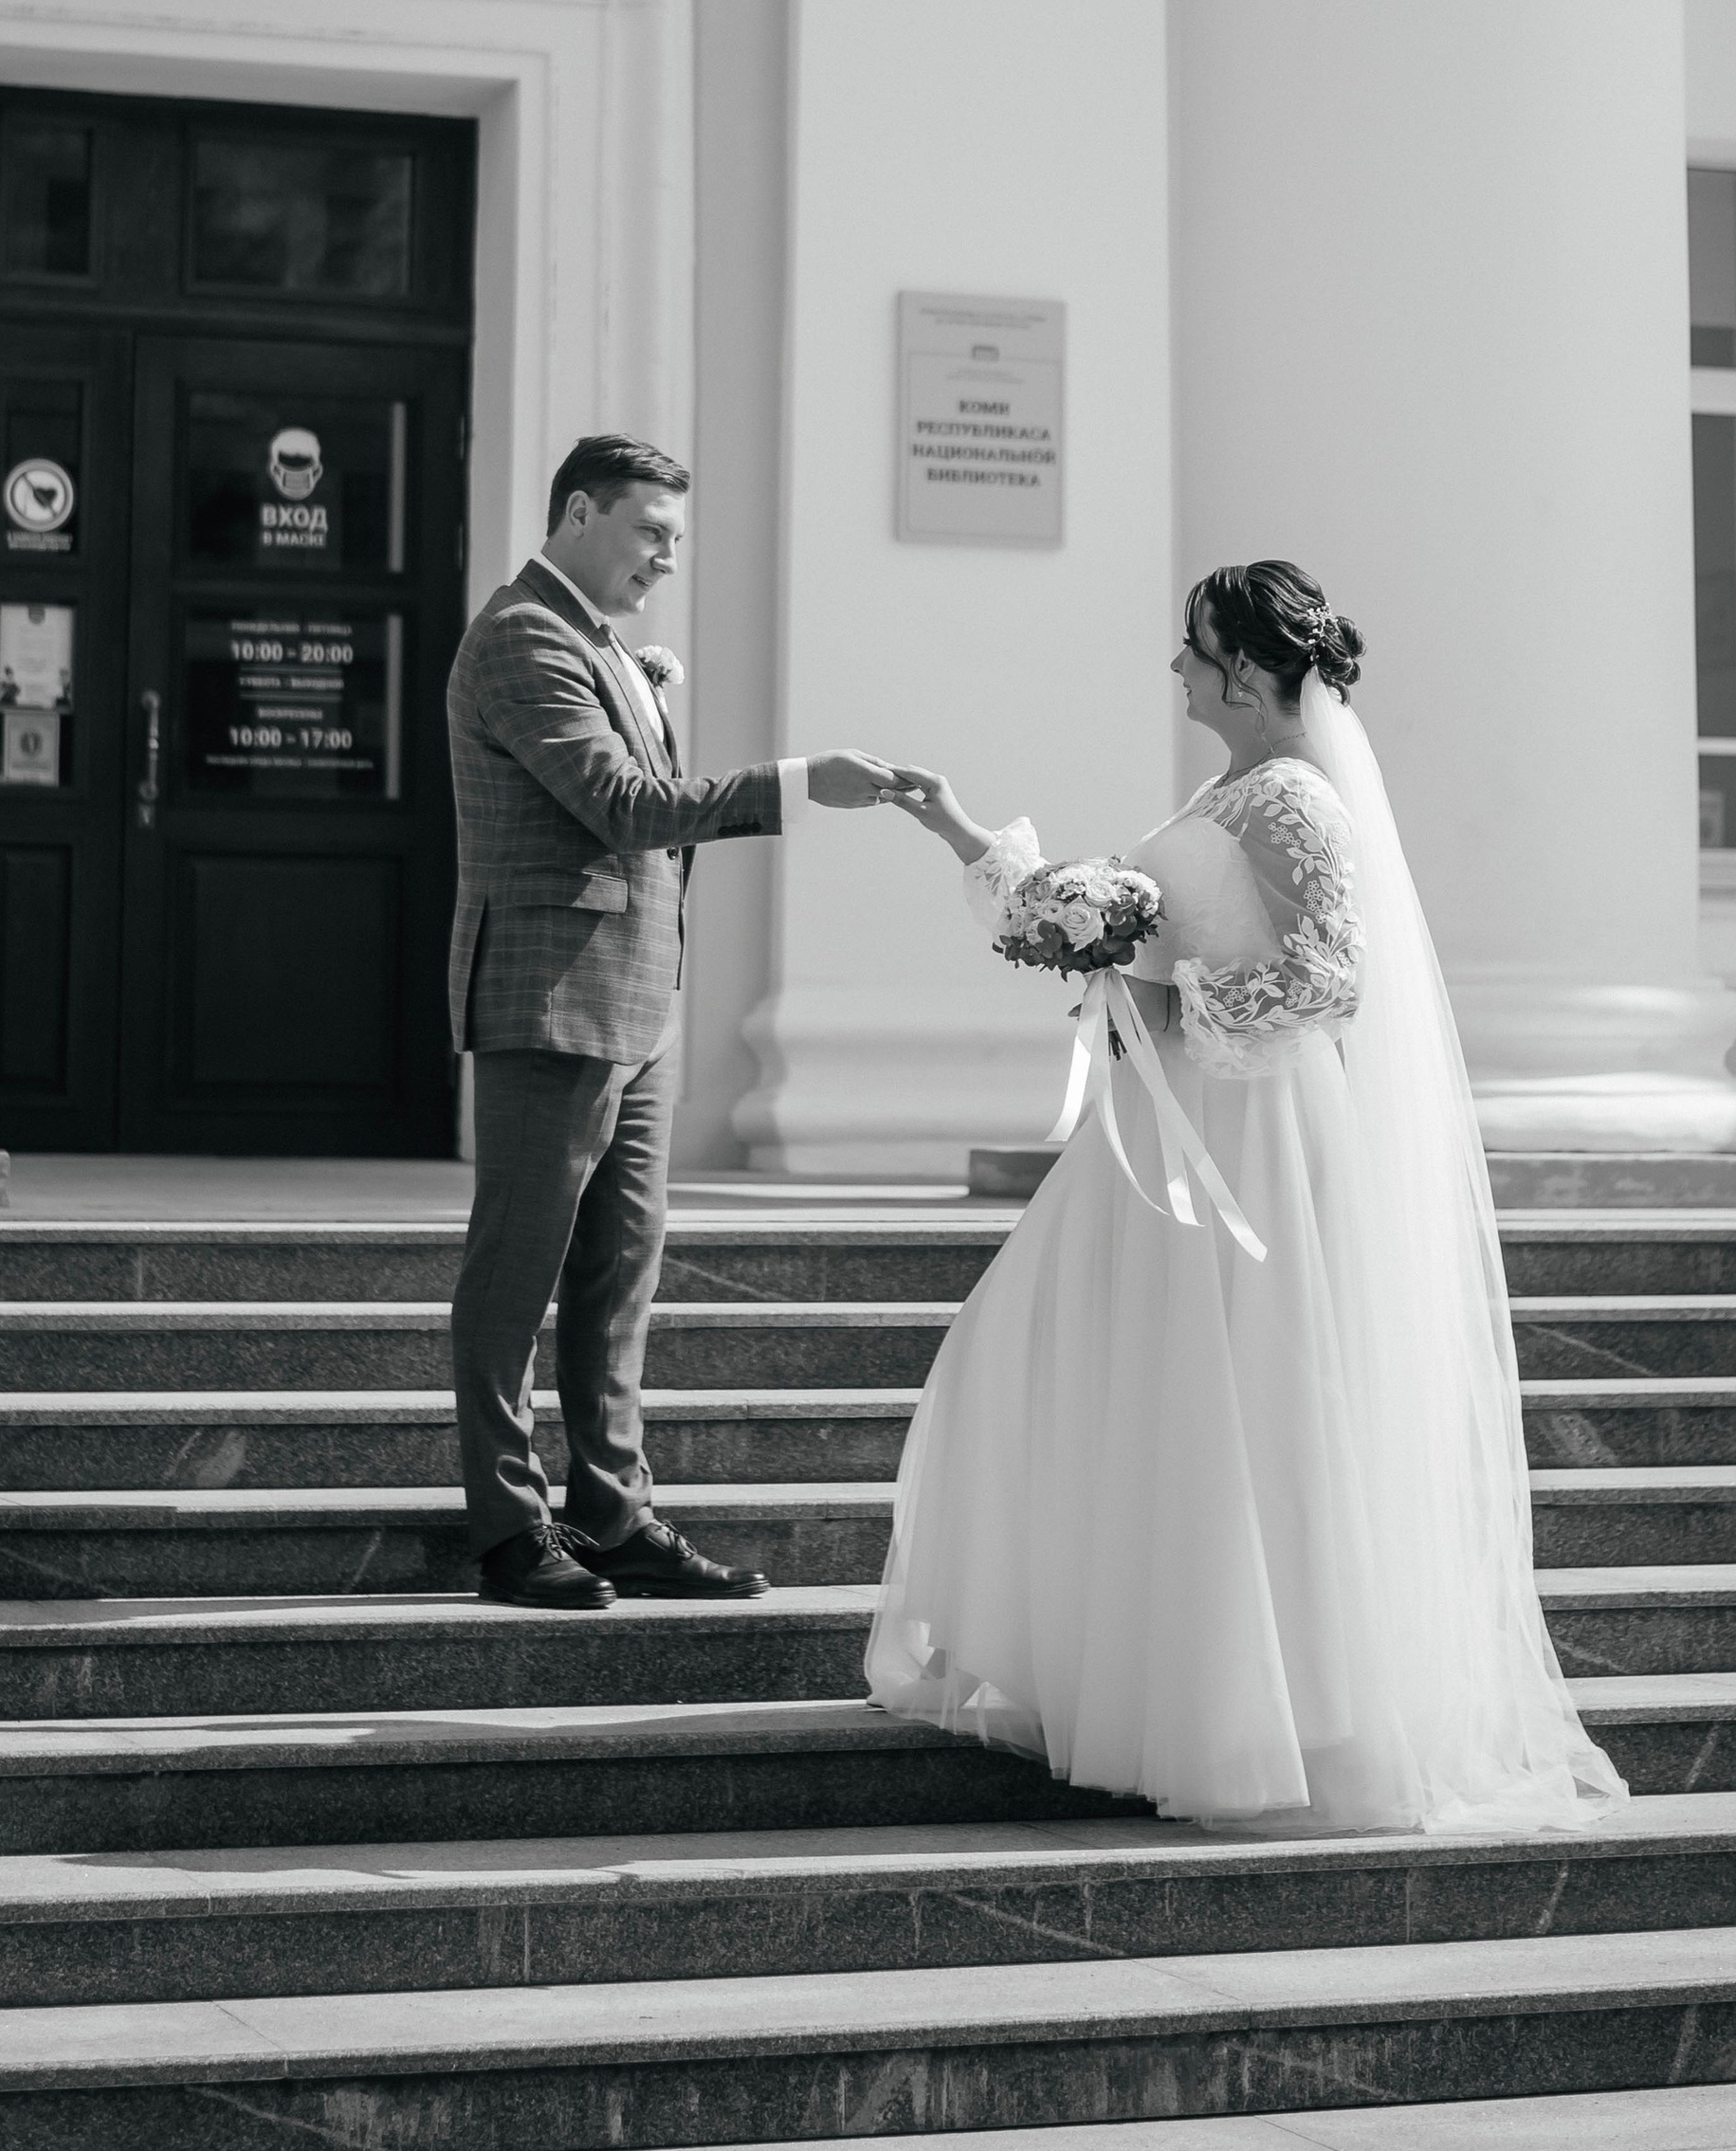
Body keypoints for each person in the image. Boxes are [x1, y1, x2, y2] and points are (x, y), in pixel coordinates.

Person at [872, 560, 1625, 1832]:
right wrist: (960, 830)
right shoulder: (1230, 787)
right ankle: (1134, 1673)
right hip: (1169, 1132)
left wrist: (1171, 1001)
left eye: (1193, 645)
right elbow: (1114, 907)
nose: (1174, 666)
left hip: (1248, 1139)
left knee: (1240, 1406)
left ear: (1248, 669)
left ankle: (1267, 1710)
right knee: (1077, 1367)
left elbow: (1330, 979)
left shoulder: (1294, 801)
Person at [447, 433, 893, 1610]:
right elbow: (623, 805)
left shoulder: (596, 641)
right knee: (518, 1268)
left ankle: (611, 1511)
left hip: (635, 999)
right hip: (549, 998)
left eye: (675, 540)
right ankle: (506, 1530)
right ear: (580, 510)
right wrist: (796, 784)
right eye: (652, 531)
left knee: (618, 1272)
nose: (666, 561)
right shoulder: (522, 636)